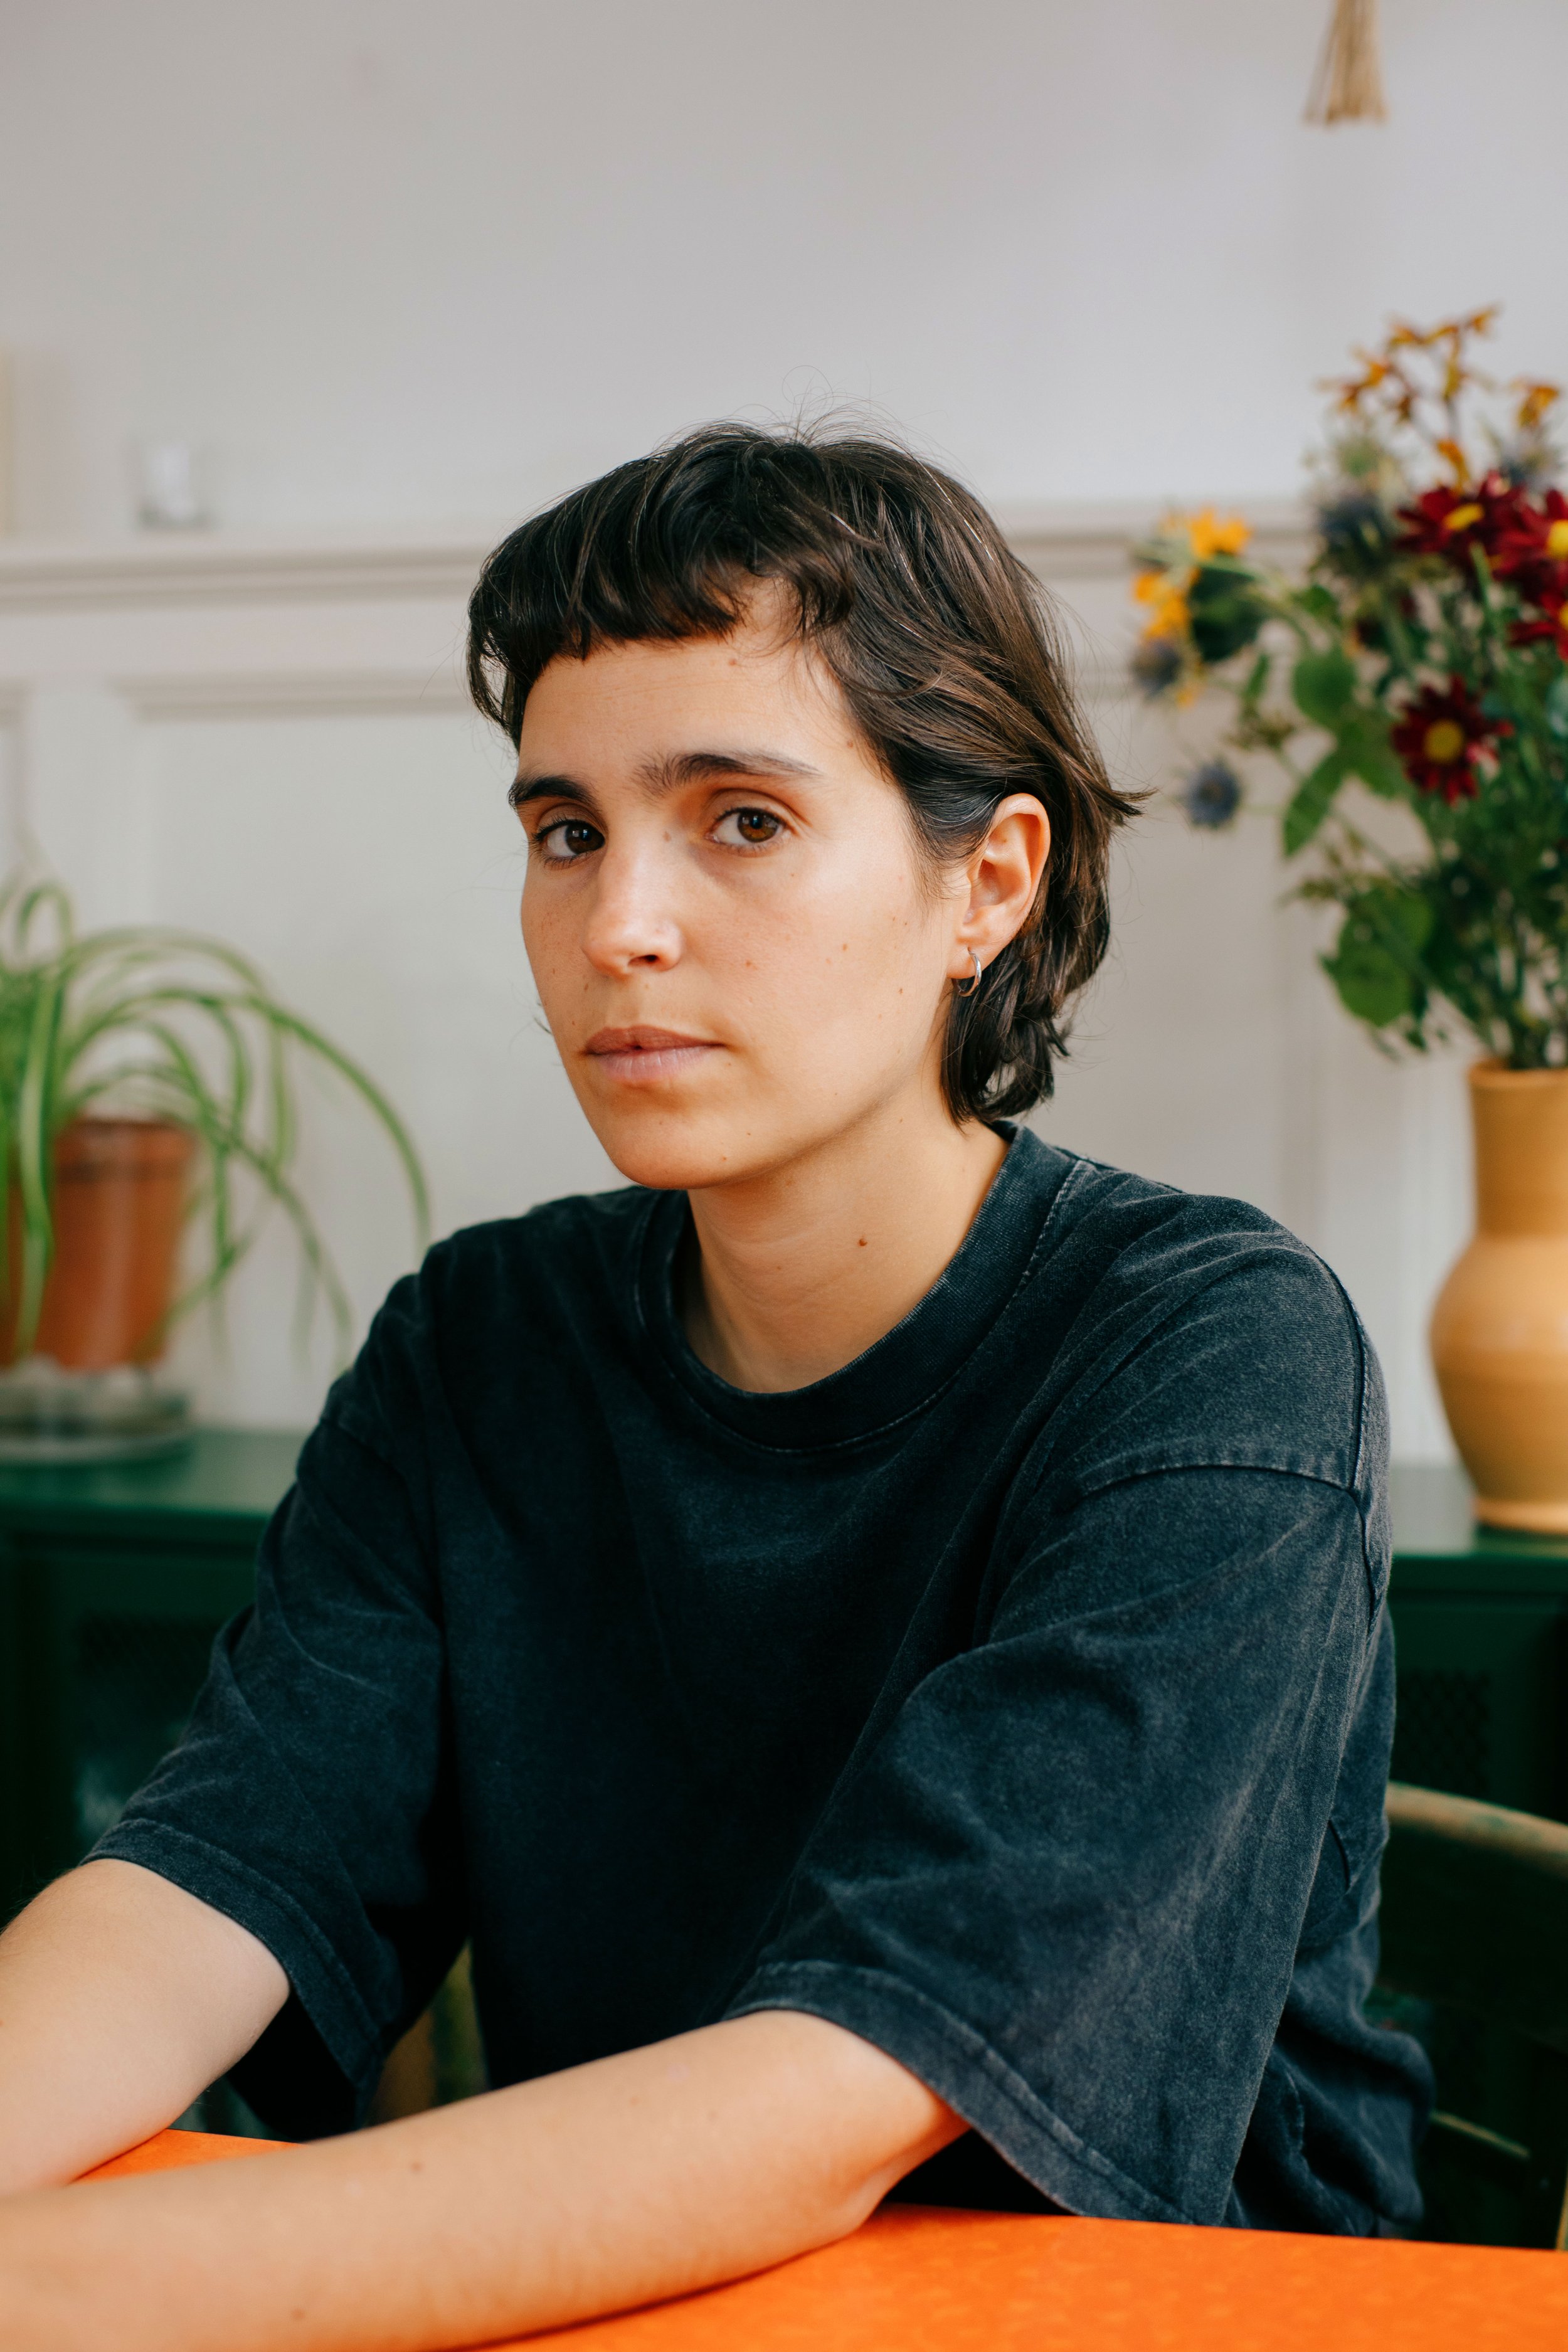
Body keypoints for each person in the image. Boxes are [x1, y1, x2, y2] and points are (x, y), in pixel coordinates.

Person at [0, 425, 1427, 2350]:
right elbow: (214, 1878)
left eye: (739, 818)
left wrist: (66, 2288)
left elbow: (861, 2082)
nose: (616, 929)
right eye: (565, 829)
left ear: (985, 883)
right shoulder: (478, 1347)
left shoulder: (1209, 1348)